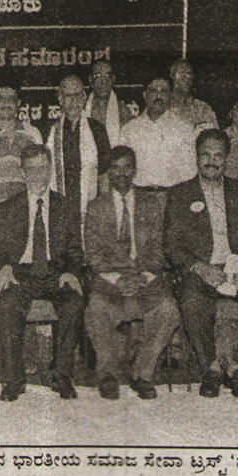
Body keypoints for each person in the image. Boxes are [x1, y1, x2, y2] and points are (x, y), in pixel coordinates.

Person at [164, 129, 238, 398]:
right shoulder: (180, 194)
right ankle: (212, 366)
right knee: (192, 304)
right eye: (206, 154)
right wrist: (200, 268)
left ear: (227, 158)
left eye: (218, 155)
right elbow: (171, 245)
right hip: (202, 271)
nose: (212, 161)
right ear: (196, 157)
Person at [0, 144, 85, 402]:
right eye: (31, 169)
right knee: (7, 303)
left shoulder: (65, 207)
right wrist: (3, 267)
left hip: (56, 272)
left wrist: (71, 272)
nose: (38, 175)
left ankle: (61, 376)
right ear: (22, 172)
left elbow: (75, 251)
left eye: (43, 168)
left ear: (50, 169)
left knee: (74, 303)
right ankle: (14, 379)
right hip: (21, 273)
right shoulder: (7, 209)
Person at [84, 146, 180, 400]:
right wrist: (118, 280)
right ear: (108, 173)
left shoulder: (151, 204)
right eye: (116, 168)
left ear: (135, 170)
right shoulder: (96, 207)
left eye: (127, 167)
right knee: (95, 309)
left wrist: (143, 277)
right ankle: (108, 374)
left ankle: (143, 373)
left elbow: (160, 250)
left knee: (169, 309)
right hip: (110, 280)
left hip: (145, 278)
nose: (122, 173)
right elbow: (92, 255)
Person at [46, 75, 111, 224]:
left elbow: (104, 175)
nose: (74, 100)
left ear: (84, 97)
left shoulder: (97, 130)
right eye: (68, 96)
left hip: (90, 207)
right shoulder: (49, 130)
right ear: (60, 99)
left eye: (77, 95)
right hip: (59, 210)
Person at [119, 78, 196, 189]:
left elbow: (190, 171)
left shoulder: (183, 129)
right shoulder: (130, 129)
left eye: (163, 91)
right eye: (153, 91)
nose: (158, 96)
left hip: (173, 194)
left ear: (170, 96)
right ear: (145, 94)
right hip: (139, 194)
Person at [85, 60, 132, 147]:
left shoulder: (122, 110)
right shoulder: (82, 108)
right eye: (98, 76)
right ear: (90, 80)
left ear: (113, 79)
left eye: (107, 76)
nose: (103, 81)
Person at [168, 58, 218, 131]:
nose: (186, 76)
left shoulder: (202, 108)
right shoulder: (164, 105)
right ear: (172, 75)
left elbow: (213, 133)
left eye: (189, 73)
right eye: (182, 72)